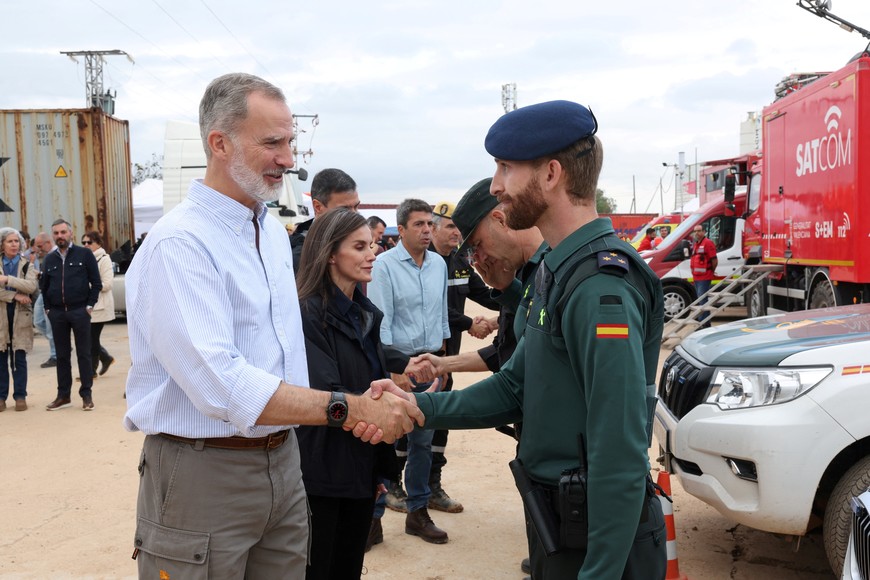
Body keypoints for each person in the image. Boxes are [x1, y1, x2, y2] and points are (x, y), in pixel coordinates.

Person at [122, 72, 423, 579]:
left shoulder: (268, 234)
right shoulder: (181, 243)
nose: (288, 159)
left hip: (285, 462)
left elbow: (288, 359)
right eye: (272, 143)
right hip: (205, 472)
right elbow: (225, 384)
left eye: (290, 142)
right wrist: (346, 407)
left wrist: (362, 390)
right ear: (220, 143)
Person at [372, 100, 667, 579]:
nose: (495, 186)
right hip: (561, 520)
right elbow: (514, 387)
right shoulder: (557, 270)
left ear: (551, 174)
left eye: (506, 168)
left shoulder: (600, 286)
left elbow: (618, 446)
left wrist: (602, 572)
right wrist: (415, 409)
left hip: (596, 539)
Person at [295, 207, 399, 579]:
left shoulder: (363, 313)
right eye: (360, 246)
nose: (372, 253)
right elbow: (326, 394)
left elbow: (372, 379)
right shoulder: (307, 314)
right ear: (329, 254)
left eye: (371, 245)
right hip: (323, 475)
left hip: (361, 469)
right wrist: (381, 410)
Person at [367, 197, 451, 544]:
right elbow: (380, 322)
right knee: (383, 441)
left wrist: (443, 360)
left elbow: (441, 315)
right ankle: (373, 519)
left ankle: (417, 513)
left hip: (430, 364)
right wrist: (394, 371)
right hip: (399, 366)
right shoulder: (384, 265)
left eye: (430, 224)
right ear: (400, 230)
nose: (427, 231)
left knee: (422, 442)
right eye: (419, 224)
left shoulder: (439, 265)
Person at [427, 199, 499, 513]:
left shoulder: (459, 261)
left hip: (449, 358)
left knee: (440, 419)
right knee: (413, 419)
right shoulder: (423, 262)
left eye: (459, 227)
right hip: (423, 357)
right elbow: (435, 310)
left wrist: (515, 300)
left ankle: (432, 485)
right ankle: (394, 485)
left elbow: (483, 294)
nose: (458, 233)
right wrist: (471, 324)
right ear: (433, 228)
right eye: (451, 227)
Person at [42, 218, 101, 412]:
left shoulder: (84, 254)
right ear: (53, 236)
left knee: (84, 354)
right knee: (62, 356)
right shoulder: (49, 259)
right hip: (58, 313)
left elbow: (96, 282)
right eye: (56, 233)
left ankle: (86, 395)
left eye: (63, 232)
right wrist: (49, 309)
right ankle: (63, 396)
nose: (60, 236)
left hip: (79, 311)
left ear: (70, 233)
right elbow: (44, 287)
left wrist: (89, 306)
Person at [289, 168, 361, 272]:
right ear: (318, 207)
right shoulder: (297, 257)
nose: (354, 215)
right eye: (344, 209)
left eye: (356, 207)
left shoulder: (353, 243)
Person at [0, 228, 38, 412]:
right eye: (10, 241)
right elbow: (21, 290)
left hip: (20, 316)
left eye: (16, 241)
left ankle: (20, 396)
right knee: (0, 359)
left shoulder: (26, 265)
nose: (14, 244)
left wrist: (7, 279)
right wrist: (14, 296)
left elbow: (31, 286)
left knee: (19, 358)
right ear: (2, 244)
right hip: (1, 316)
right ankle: (1, 397)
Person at [81, 231, 115, 376]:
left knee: (91, 339)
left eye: (89, 242)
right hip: (88, 306)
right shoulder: (84, 259)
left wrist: (85, 285)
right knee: (88, 338)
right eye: (83, 243)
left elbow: (107, 284)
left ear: (98, 244)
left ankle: (92, 370)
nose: (86, 245)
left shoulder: (104, 259)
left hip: (100, 306)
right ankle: (104, 359)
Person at [31, 232, 57, 368]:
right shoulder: (47, 257)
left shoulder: (55, 255)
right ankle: (60, 344)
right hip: (44, 291)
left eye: (40, 246)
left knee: (50, 326)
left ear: (48, 243)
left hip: (51, 293)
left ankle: (55, 355)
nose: (38, 249)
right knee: (38, 321)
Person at [690, 224, 717, 328]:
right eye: (695, 231)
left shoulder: (708, 243)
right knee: (700, 300)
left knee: (703, 301)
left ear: (704, 232)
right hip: (697, 277)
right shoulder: (696, 244)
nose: (697, 233)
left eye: (699, 231)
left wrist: (711, 271)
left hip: (704, 277)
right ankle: (703, 322)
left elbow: (714, 260)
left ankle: (704, 324)